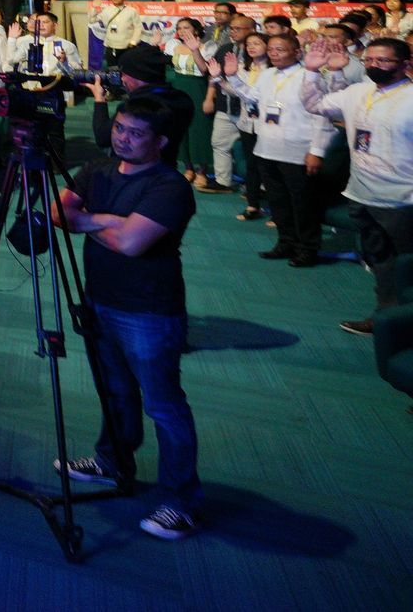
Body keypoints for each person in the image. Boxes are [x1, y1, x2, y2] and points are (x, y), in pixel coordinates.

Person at [52, 92, 202, 541]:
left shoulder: (170, 187)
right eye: (119, 128)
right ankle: (112, 461)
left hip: (149, 311)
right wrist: (111, 222)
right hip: (98, 298)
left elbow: (132, 244)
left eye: (136, 134)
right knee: (114, 390)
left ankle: (180, 500)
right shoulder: (97, 168)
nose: (122, 138)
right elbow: (61, 212)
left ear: (160, 140)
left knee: (163, 405)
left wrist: (90, 220)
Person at [301, 34, 413, 336]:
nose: (375, 65)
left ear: (406, 64)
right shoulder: (359, 91)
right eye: (370, 60)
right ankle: (386, 317)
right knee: (381, 263)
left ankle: (402, 322)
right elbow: (315, 104)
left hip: (403, 200)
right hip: (361, 194)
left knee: (407, 267)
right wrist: (315, 70)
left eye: (384, 60)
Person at [216, 32, 329, 267]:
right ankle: (285, 243)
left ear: (297, 52)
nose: (274, 54)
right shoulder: (267, 74)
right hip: (267, 148)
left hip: (298, 150)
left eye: (281, 50)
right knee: (278, 201)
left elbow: (321, 117)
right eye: (272, 50)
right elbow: (251, 97)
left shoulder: (309, 76)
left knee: (302, 203)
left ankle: (307, 248)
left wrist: (317, 150)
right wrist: (233, 76)